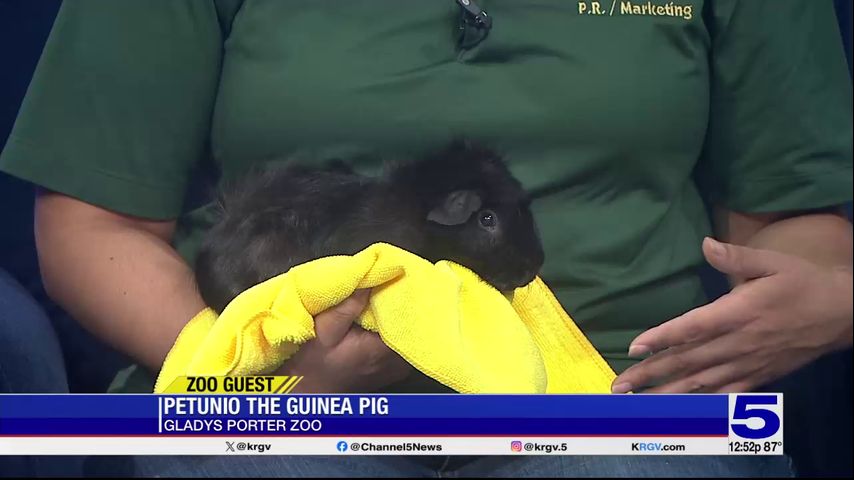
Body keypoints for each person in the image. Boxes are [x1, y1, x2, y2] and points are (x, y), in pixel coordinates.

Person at [0, 0, 850, 477]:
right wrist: (249, 369)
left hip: (621, 395)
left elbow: (800, 222)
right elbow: (90, 221)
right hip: (276, 392)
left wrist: (827, 292)